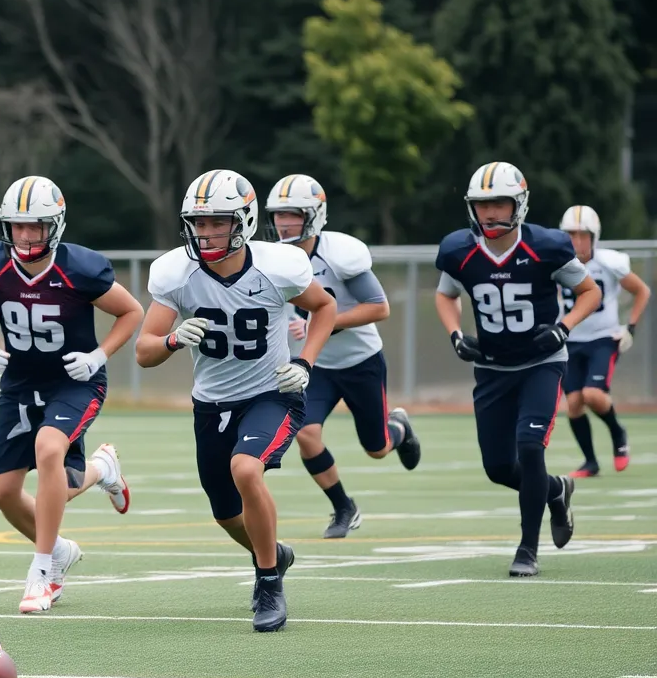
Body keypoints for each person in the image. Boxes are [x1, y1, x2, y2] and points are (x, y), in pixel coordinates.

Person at [136, 169, 336, 631]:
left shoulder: (277, 266)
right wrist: (170, 341)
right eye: (199, 223)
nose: (206, 233)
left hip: (272, 393)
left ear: (243, 221)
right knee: (227, 515)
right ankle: (274, 554)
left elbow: (325, 307)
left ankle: (268, 582)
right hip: (211, 403)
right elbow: (144, 350)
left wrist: (305, 362)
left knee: (246, 468)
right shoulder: (177, 273)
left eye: (217, 222)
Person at [0, 175, 144, 614]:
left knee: (49, 451)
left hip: (74, 381)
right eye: (18, 226)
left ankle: (43, 571)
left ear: (56, 225)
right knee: (4, 492)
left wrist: (99, 355)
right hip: (20, 384)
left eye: (37, 226)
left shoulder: (80, 268)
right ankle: (100, 470)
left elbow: (131, 311)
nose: (26, 236)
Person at [434, 161, 601, 578]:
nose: (490, 213)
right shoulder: (459, 249)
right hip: (492, 367)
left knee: (530, 447)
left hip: (541, 363)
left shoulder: (546, 246)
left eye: (499, 203)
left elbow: (589, 292)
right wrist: (456, 334)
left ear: (519, 203)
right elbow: (445, 296)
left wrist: (564, 328)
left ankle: (527, 549)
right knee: (498, 467)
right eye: (482, 204)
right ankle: (556, 490)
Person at [263, 174, 421, 539]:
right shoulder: (271, 258)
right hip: (314, 363)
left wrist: (328, 322)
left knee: (377, 448)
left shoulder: (340, 254)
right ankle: (343, 507)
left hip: (360, 360)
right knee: (305, 434)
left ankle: (400, 429)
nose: (285, 223)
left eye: (294, 215)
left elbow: (379, 308)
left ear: (315, 215)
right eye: (280, 215)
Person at [557, 204, 651, 477]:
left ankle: (617, 432)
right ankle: (590, 462)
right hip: (572, 339)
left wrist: (630, 328)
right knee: (574, 404)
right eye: (570, 235)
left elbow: (642, 291)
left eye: (582, 235)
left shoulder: (609, 262)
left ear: (593, 236)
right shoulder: (557, 263)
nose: (576, 241)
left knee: (593, 395)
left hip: (602, 338)